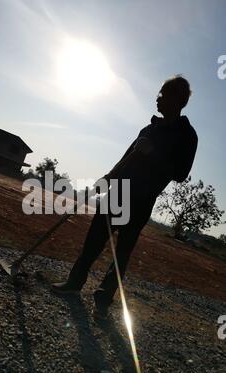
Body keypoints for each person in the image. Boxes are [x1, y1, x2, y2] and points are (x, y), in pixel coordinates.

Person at [52, 75, 198, 320]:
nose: (158, 98)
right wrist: (108, 177)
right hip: (117, 192)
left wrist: (152, 154)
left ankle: (103, 298)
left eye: (163, 94)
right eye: (159, 93)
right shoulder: (149, 128)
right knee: (94, 240)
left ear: (178, 100)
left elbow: (181, 174)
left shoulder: (187, 136)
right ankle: (74, 283)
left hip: (142, 199)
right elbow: (126, 157)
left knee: (122, 253)